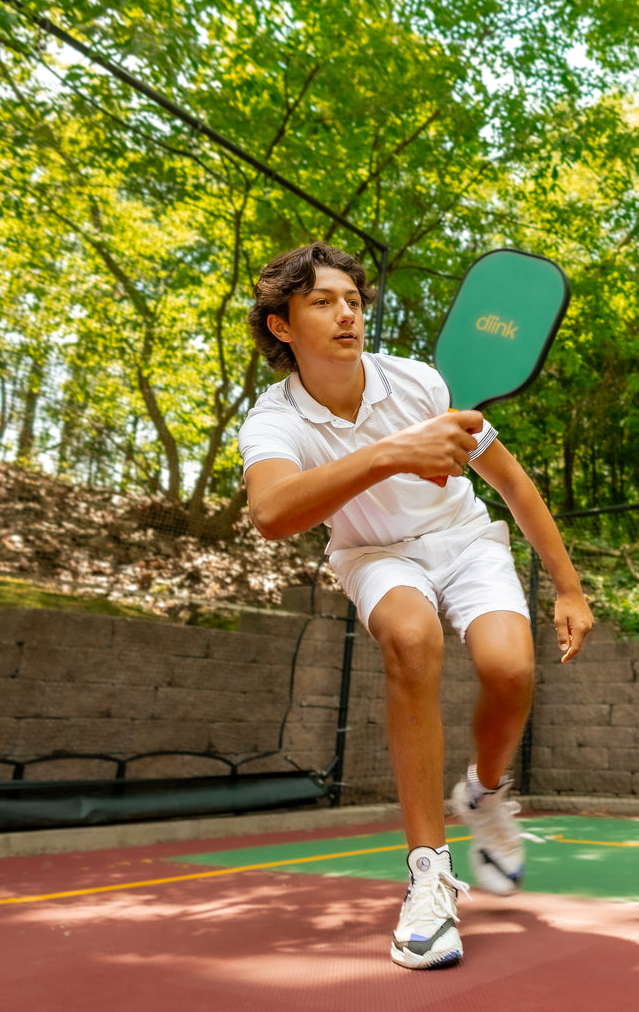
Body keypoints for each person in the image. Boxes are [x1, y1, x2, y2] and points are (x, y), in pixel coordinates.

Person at [237, 241, 593, 970]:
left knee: (510, 672)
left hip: (463, 539)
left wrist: (568, 585)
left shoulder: (423, 383)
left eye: (354, 301)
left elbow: (513, 485)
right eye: (323, 301)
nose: (347, 314)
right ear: (281, 325)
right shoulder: (273, 421)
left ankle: (484, 794)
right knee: (410, 637)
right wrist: (394, 453)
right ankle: (428, 877)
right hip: (375, 555)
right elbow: (272, 513)